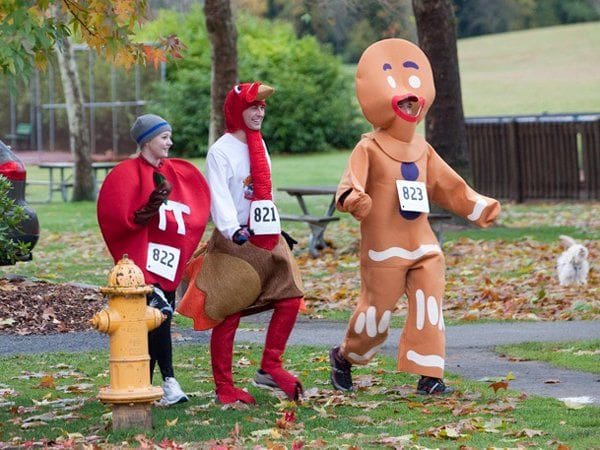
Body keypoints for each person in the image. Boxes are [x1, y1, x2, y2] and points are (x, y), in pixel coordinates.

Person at [328, 39, 501, 395]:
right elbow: (348, 186)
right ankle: (346, 356)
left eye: (413, 97)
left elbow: (449, 186)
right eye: (401, 98)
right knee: (376, 315)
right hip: (383, 249)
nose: (409, 103)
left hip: (423, 245)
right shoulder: (368, 147)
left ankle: (430, 375)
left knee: (428, 306)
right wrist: (354, 199)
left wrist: (477, 206)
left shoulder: (424, 149)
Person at [177, 82, 304, 404]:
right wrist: (233, 230)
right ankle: (224, 388)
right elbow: (219, 197)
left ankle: (269, 367)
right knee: (228, 311)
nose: (259, 112)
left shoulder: (259, 145)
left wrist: (275, 225)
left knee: (290, 298)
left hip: (266, 234)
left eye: (262, 107)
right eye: (253, 106)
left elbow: (266, 192)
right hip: (236, 238)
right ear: (237, 110)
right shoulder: (221, 151)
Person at [97, 114, 210, 406]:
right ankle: (169, 381)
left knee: (157, 319)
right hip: (139, 260)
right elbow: (118, 216)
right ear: (147, 140)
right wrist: (146, 209)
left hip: (166, 259)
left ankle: (142, 383)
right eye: (164, 137)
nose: (170, 142)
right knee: (157, 317)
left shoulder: (172, 172)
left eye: (170, 136)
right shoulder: (126, 173)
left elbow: (189, 204)